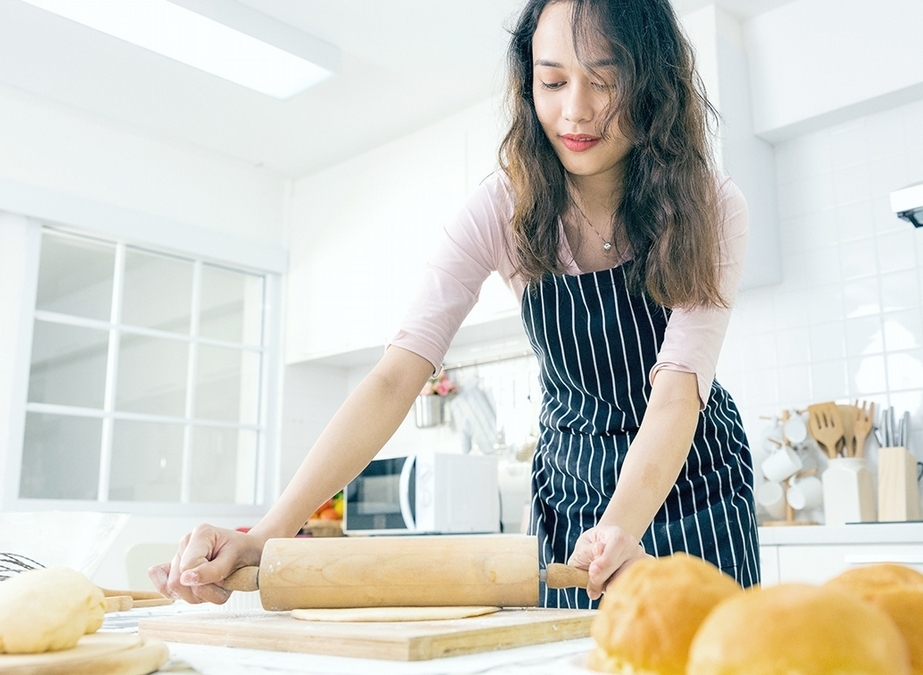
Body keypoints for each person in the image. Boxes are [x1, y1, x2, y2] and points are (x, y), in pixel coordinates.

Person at [151, 0, 758, 610]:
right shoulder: (502, 210)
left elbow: (677, 390)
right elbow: (397, 375)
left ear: (652, 81)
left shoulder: (709, 207)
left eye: (603, 81)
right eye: (551, 82)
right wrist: (266, 534)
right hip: (574, 495)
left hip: (694, 486)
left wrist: (620, 528)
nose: (574, 110)